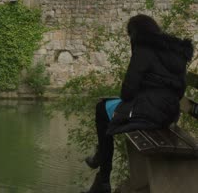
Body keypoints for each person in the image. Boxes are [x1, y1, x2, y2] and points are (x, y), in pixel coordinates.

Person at [82, 14, 194, 193]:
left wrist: (139, 94)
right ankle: (100, 165)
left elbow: (127, 91)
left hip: (149, 112)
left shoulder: (144, 48)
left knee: (101, 109)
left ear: (135, 34)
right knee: (106, 105)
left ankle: (103, 176)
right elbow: (178, 90)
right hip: (168, 113)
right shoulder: (176, 50)